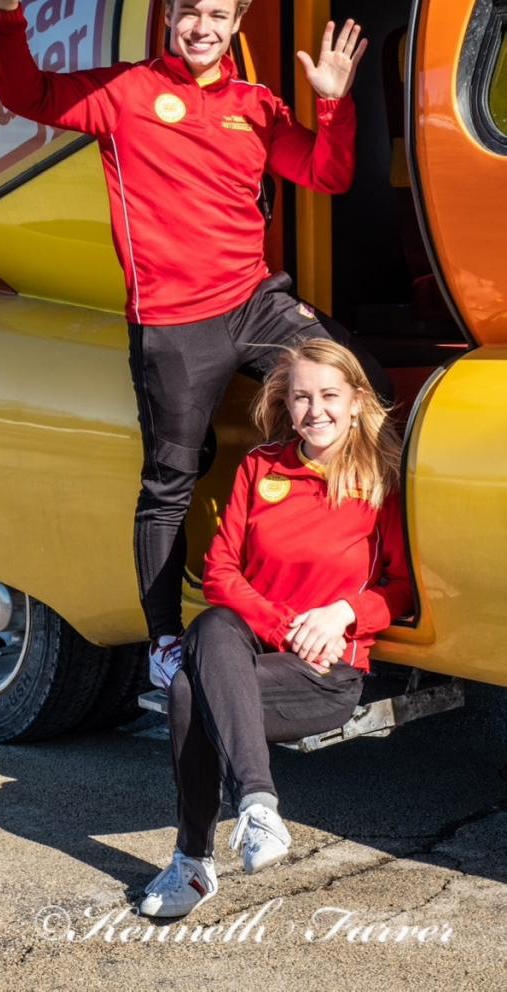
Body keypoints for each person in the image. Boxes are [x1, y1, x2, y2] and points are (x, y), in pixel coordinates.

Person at [0, 0, 383, 692]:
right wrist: (7, 12)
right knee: (169, 482)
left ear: (236, 25)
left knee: (363, 389)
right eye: (189, 13)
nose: (201, 26)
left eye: (216, 15)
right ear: (167, 17)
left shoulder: (256, 106)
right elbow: (26, 94)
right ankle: (165, 640)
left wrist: (331, 99)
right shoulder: (126, 92)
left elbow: (325, 173)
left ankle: (333, 597)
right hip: (174, 320)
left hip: (254, 297)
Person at [139, 338, 413, 919]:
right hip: (257, 646)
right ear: (286, 406)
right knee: (212, 623)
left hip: (324, 672)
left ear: (358, 401)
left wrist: (344, 613)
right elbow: (220, 573)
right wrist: (290, 627)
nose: (316, 411)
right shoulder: (262, 465)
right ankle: (259, 806)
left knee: (189, 689)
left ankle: (192, 863)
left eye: (329, 396)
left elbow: (402, 587)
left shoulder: (382, 477)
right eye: (301, 398)